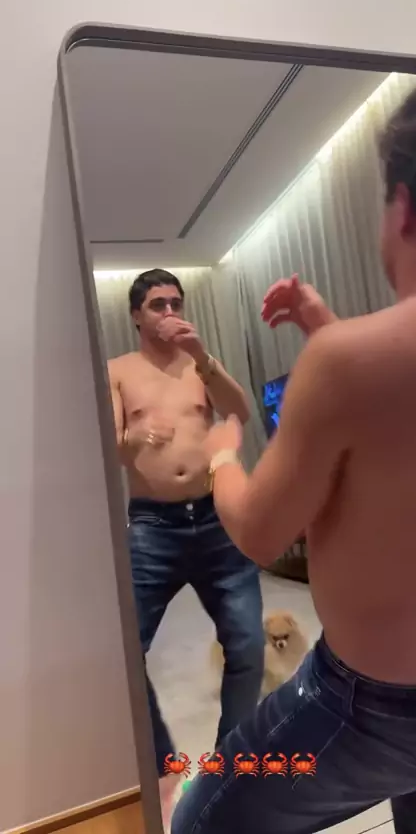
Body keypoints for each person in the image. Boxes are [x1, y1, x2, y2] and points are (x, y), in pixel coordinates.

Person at [172, 74, 416, 834]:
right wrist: (328, 330)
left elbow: (261, 532)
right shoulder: (363, 358)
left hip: (371, 709)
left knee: (201, 817)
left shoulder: (349, 362)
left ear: (403, 208)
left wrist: (222, 455)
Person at [107, 268, 264, 829]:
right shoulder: (119, 371)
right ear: (136, 314)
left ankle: (229, 763)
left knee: (247, 646)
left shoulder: (201, 364)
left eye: (176, 302)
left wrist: (202, 356)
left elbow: (240, 410)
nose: (169, 312)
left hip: (218, 519)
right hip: (153, 526)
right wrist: (132, 437)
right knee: (125, 650)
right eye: (157, 304)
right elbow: (107, 443)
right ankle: (162, 765)